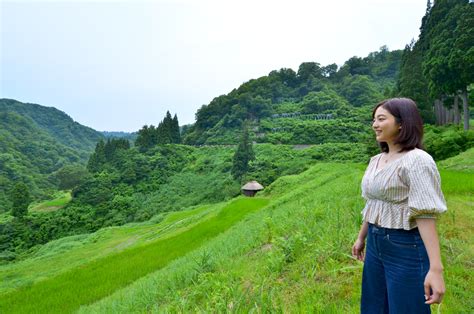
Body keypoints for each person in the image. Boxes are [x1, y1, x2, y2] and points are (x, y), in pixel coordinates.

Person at [352, 98, 447, 314]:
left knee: (406, 308)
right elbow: (374, 204)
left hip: (405, 245)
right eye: (374, 119)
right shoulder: (376, 159)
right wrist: (361, 237)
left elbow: (425, 213)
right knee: (374, 307)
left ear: (402, 123)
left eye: (381, 119)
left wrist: (436, 268)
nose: (374, 124)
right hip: (376, 244)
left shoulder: (417, 160)